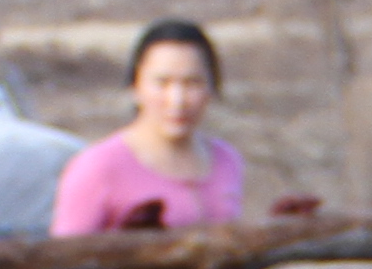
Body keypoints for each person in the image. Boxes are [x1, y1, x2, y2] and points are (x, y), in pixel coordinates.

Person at [46, 17, 246, 233]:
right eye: (162, 83)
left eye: (192, 83)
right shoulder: (97, 167)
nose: (177, 99)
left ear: (211, 88)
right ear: (136, 87)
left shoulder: (226, 160)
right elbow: (66, 260)